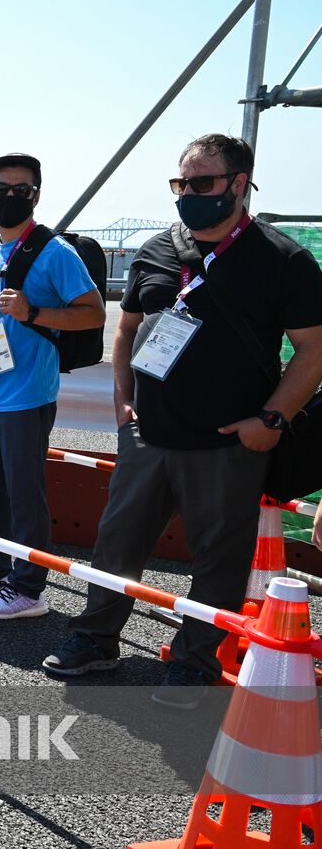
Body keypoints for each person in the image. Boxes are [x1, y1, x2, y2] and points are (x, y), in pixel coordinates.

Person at [44, 134, 322, 708]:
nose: (188, 194)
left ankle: (195, 661)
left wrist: (270, 420)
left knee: (219, 559)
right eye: (181, 183)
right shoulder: (156, 250)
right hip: (147, 436)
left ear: (238, 185)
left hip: (228, 445)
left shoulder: (283, 260)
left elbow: (313, 351)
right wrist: (123, 403)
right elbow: (126, 331)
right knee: (117, 544)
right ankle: (95, 638)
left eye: (202, 183)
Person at [0, 153, 105, 617]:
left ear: (36, 196)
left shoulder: (55, 252)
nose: (9, 197)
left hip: (27, 395)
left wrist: (33, 312)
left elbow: (93, 313)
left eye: (20, 190)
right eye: (1, 189)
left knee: (25, 496)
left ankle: (29, 588)